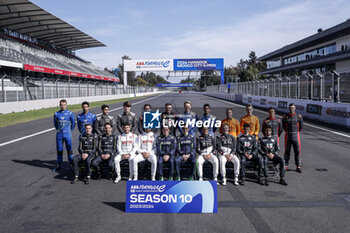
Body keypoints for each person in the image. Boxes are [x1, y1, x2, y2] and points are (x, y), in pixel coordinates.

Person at [53, 99, 75, 172]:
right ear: (59, 105)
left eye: (64, 105)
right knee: (59, 150)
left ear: (66, 105)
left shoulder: (70, 113)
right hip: (59, 134)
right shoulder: (56, 114)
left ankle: (71, 164)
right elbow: (55, 124)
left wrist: (70, 130)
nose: (62, 106)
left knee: (69, 149)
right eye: (61, 105)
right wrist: (59, 130)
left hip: (67, 134)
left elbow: (73, 123)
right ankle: (59, 165)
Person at [282, 103, 303, 173]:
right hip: (288, 135)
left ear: (295, 108)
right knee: (287, 151)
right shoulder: (285, 116)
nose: (291, 109)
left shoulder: (299, 116)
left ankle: (298, 166)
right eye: (290, 107)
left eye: (293, 107)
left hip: (296, 135)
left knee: (297, 151)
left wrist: (296, 132)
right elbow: (284, 127)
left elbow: (301, 127)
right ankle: (285, 165)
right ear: (289, 108)